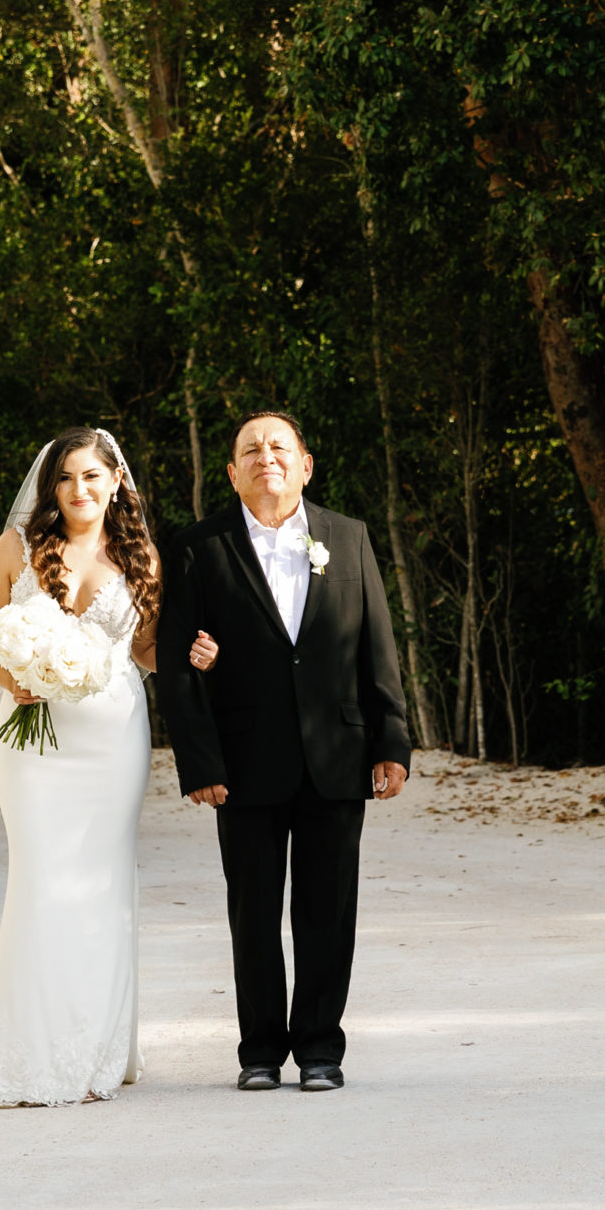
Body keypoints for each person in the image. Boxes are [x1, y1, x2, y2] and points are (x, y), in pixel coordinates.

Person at [157, 411, 412, 1093]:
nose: (265, 456)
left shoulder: (349, 537)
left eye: (279, 446)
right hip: (242, 762)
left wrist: (392, 741)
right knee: (254, 912)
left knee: (329, 912)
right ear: (233, 473)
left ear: (305, 464)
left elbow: (377, 647)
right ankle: (259, 1052)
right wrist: (199, 762)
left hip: (339, 753)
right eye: (250, 449)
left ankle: (322, 1050)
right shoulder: (195, 548)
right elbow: (179, 667)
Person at [0, 427, 162, 1106]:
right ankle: (32, 1055)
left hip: (114, 741)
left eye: (93, 476)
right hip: (33, 743)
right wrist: (15, 680)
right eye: (67, 478)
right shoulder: (16, 548)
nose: (79, 490)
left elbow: (149, 652)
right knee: (41, 881)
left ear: (116, 483)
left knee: (103, 884)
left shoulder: (140, 554)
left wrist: (201, 651)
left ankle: (98, 1049)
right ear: (51, 486)